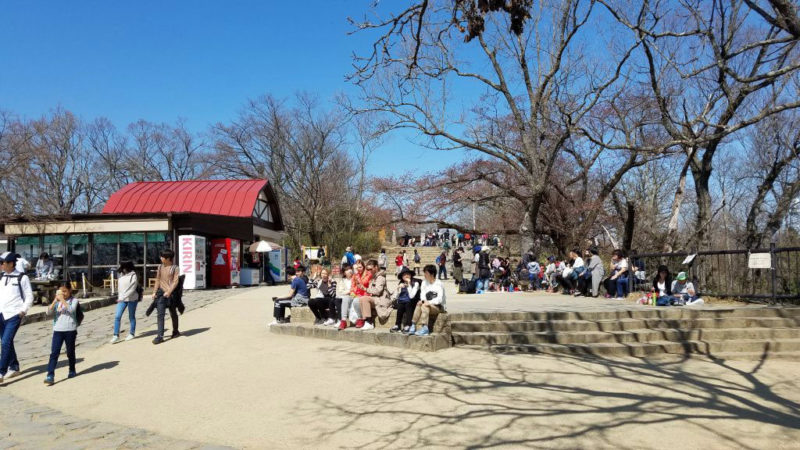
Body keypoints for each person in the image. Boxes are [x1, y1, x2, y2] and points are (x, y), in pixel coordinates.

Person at [0, 252, 33, 383]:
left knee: (5, 342)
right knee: (6, 341)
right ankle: (14, 366)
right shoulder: (1, 277)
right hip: (1, 314)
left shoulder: (22, 277)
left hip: (14, 315)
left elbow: (29, 296)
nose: (1, 265)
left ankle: (1, 371)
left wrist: (23, 311)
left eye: (3, 263)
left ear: (11, 263)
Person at [44, 282, 80, 385]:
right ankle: (50, 375)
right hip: (58, 330)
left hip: (70, 330)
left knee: (70, 352)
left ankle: (72, 369)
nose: (63, 293)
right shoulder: (58, 302)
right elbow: (48, 313)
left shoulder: (74, 300)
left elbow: (72, 310)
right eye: (61, 291)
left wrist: (63, 300)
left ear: (70, 290)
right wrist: (54, 301)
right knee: (54, 353)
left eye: (65, 291)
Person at [152, 249, 180, 344]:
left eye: (162, 257)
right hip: (161, 294)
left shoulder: (175, 268)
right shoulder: (160, 267)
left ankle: (175, 331)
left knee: (173, 313)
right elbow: (158, 279)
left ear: (168, 259)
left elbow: (176, 281)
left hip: (171, 294)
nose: (161, 258)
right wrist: (154, 292)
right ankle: (160, 336)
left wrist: (169, 291)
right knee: (160, 314)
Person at [408, 265, 446, 336]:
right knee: (419, 303)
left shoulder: (439, 284)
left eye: (426, 273)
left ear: (432, 274)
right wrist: (423, 301)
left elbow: (439, 299)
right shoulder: (424, 282)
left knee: (425, 306)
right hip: (427, 304)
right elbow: (422, 295)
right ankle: (413, 325)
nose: (424, 275)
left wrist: (429, 303)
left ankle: (425, 328)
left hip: (438, 307)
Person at [111, 260, 140, 343]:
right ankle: (116, 335)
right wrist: (120, 297)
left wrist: (123, 297)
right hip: (121, 299)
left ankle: (132, 333)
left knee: (131, 316)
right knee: (117, 316)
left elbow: (132, 288)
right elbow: (120, 288)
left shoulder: (133, 275)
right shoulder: (120, 275)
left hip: (132, 299)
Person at [357, 260, 391, 330]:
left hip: (381, 299)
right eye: (367, 269)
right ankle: (365, 320)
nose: (369, 271)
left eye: (370, 269)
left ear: (376, 267)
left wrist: (365, 289)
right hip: (375, 298)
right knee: (360, 299)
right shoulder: (373, 277)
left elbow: (378, 291)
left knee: (364, 299)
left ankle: (369, 322)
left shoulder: (380, 277)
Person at [390, 267, 420, 333]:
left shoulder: (415, 283)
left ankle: (408, 325)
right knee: (400, 305)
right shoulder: (401, 283)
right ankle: (397, 325)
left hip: (412, 301)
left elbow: (412, 296)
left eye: (408, 274)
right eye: (404, 275)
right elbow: (396, 297)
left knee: (408, 304)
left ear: (411, 275)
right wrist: (398, 288)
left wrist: (409, 284)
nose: (406, 276)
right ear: (402, 277)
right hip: (402, 301)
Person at [335, 265, 354, 330]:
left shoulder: (355, 279)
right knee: (336, 300)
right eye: (346, 270)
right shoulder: (342, 281)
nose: (349, 271)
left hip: (352, 297)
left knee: (345, 298)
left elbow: (355, 290)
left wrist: (348, 292)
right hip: (344, 296)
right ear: (344, 273)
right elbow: (340, 291)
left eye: (350, 269)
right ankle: (340, 320)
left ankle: (343, 320)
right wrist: (348, 291)